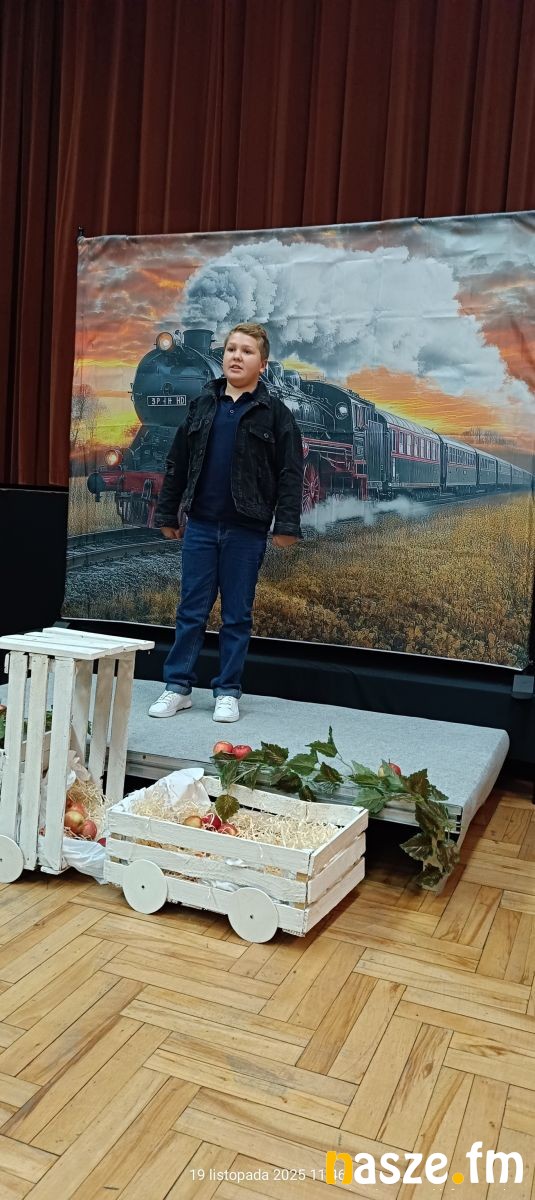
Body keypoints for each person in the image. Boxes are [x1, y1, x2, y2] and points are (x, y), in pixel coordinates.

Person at [149, 322, 303, 723]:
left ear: (262, 364)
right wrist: (167, 513)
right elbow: (177, 462)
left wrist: (286, 524)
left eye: (247, 351)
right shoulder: (202, 405)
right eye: (231, 349)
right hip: (200, 525)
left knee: (236, 615)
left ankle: (228, 690)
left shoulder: (276, 414)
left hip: (246, 530)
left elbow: (290, 473)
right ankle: (177, 687)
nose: (237, 356)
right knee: (190, 611)